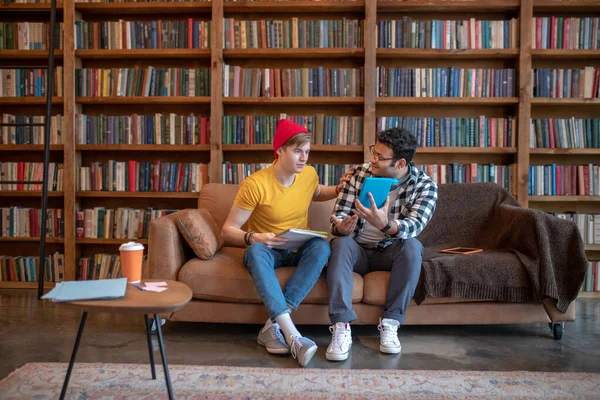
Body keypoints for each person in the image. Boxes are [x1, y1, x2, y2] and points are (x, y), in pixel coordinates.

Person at [221, 119, 344, 367]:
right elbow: (227, 230)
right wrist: (253, 236)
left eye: (307, 152)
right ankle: (293, 336)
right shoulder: (255, 184)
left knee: (321, 246)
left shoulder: (308, 174)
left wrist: (339, 189)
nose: (303, 158)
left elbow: (316, 192)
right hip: (268, 248)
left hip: (298, 246)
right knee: (254, 251)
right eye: (297, 151)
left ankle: (273, 327)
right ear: (280, 151)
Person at [325, 127, 438, 361]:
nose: (372, 160)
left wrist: (386, 224)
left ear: (400, 163)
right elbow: (337, 216)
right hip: (356, 250)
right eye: (373, 152)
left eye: (380, 157)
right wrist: (340, 227)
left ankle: (391, 323)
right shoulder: (359, 174)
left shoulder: (425, 186)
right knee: (340, 243)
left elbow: (414, 226)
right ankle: (341, 327)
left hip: (389, 252)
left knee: (413, 246)